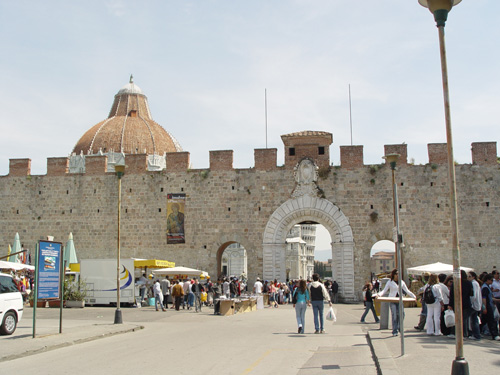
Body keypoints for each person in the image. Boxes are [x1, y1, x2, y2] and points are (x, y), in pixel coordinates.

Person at [377, 268, 416, 337]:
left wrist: (414, 296)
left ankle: (399, 327)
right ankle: (394, 330)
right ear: (394, 275)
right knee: (394, 315)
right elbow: (384, 290)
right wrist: (379, 295)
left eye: (399, 274)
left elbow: (407, 291)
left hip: (400, 300)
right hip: (392, 300)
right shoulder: (390, 282)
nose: (398, 275)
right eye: (397, 274)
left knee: (402, 314)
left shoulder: (401, 282)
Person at [480, 274, 500, 340]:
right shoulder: (485, 287)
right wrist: (484, 307)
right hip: (488, 306)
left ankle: (478, 331)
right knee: (491, 321)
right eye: (491, 280)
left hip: (489, 305)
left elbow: (489, 297)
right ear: (487, 280)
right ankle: (494, 334)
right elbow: (484, 298)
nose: (492, 282)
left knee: (484, 320)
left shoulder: (487, 287)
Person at [468, 271, 482, 340]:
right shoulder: (475, 283)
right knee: (474, 319)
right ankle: (476, 334)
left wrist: (470, 302)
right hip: (476, 304)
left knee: (473, 320)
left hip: (474, 305)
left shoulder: (474, 283)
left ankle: (476, 334)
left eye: (469, 276)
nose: (468, 278)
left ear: (473, 277)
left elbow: (474, 295)